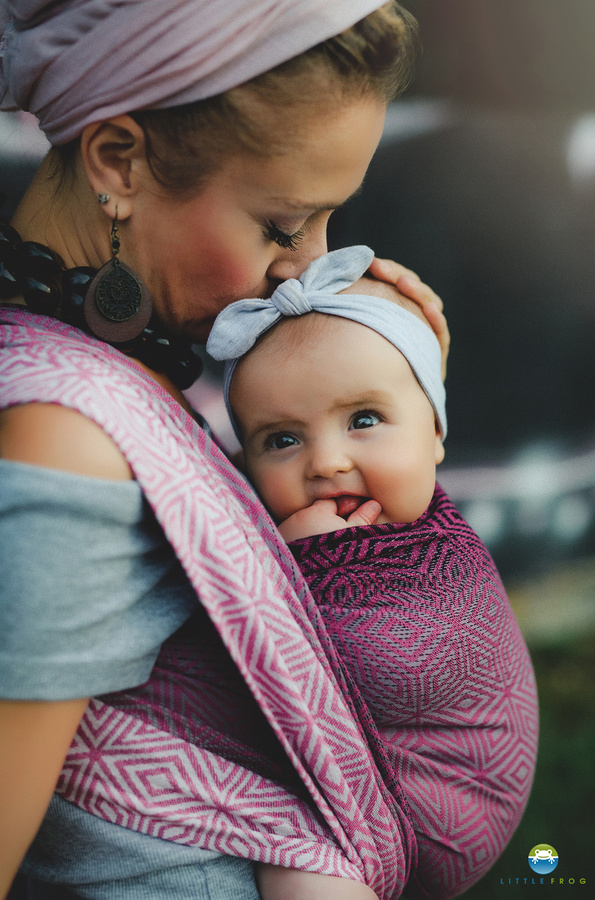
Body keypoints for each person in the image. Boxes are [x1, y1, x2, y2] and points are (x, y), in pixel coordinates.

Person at [0, 3, 459, 899]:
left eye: (331, 220)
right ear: (118, 161)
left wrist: (396, 388)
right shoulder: (70, 436)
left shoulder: (97, 374)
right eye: (285, 225)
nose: (308, 268)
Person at [206, 245, 539, 900]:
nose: (327, 462)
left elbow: (384, 665)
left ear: (435, 432)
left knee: (298, 859)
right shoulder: (370, 513)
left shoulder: (444, 559)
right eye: (282, 439)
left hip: (438, 808)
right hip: (385, 786)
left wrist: (293, 565)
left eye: (363, 419)